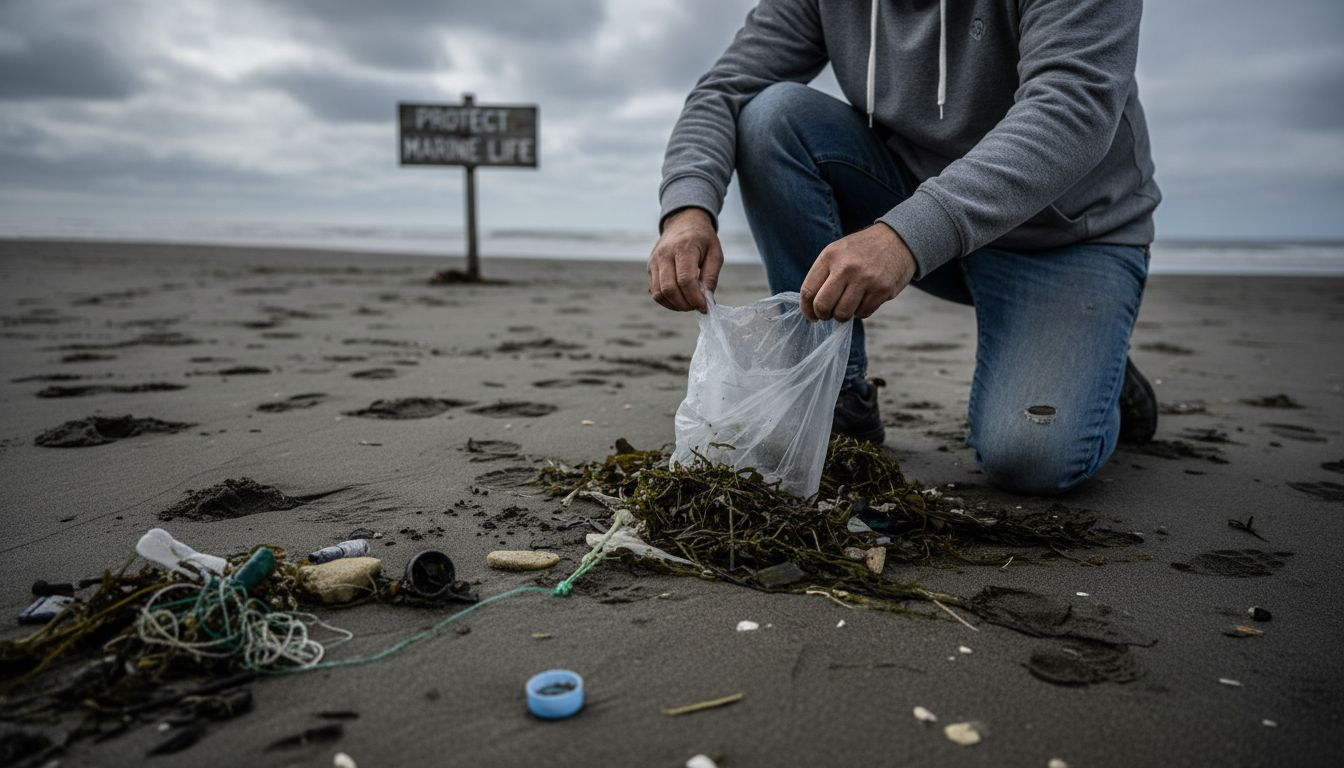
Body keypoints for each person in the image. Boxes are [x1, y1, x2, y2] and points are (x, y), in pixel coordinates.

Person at [648, 0, 1162, 496]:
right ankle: (839, 400)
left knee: (1030, 459)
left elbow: (1072, 108)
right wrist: (687, 209)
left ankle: (1102, 364)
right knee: (770, 116)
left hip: (1066, 237)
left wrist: (907, 235)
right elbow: (725, 89)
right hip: (921, 210)